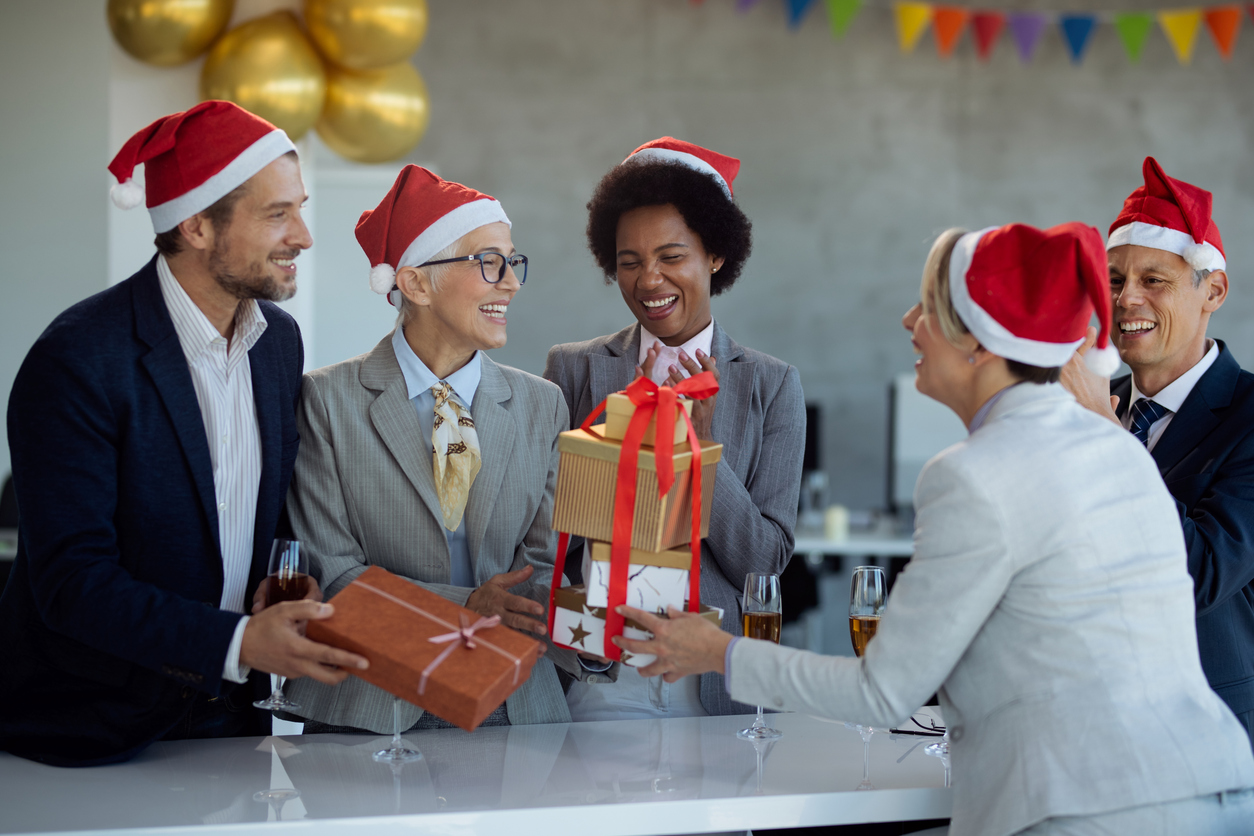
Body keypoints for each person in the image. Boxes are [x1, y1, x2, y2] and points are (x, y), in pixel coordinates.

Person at [615, 222, 1254, 835]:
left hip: (1085, 810)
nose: (908, 323)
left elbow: (883, 693)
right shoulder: (1115, 446)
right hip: (1210, 788)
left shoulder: (971, 474)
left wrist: (715, 653)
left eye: (928, 309)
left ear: (978, 342)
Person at [0, 101, 367, 767]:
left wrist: (287, 582)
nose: (305, 236)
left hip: (232, 723)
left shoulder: (276, 342)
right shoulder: (77, 359)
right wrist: (238, 643)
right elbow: (71, 584)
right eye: (277, 214)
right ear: (197, 225)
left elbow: (251, 514)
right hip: (92, 733)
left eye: (300, 207)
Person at [283, 166, 583, 733]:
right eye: (489, 262)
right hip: (371, 706)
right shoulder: (325, 401)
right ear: (416, 284)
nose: (511, 283)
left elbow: (541, 567)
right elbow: (333, 575)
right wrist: (465, 606)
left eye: (512, 262)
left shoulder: (543, 406)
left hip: (514, 707)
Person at [543, 138, 805, 719]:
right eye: (629, 261)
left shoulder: (772, 385)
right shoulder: (575, 369)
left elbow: (763, 564)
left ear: (715, 255)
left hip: (714, 686)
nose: (648, 279)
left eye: (671, 256)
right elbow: (550, 536)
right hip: (604, 678)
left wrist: (705, 452)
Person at [1061, 157, 1254, 748]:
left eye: (1155, 280)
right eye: (1115, 281)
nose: (1126, 300)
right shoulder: (1092, 402)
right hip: (1081, 728)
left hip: (1204, 743)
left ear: (1212, 290)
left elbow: (1200, 572)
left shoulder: (1248, 415)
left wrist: (1109, 441)